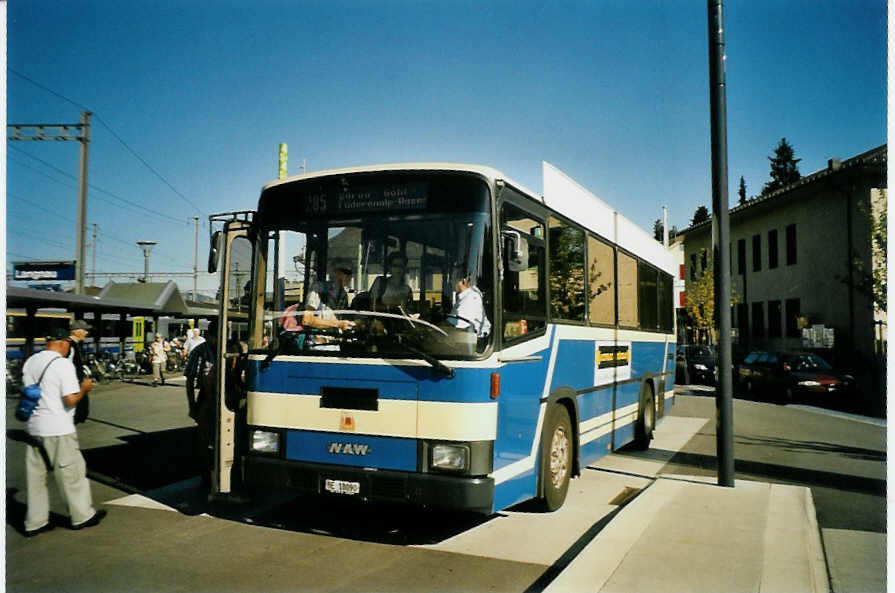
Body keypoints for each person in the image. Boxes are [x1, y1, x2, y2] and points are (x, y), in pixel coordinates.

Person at [21, 329, 105, 536]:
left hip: (34, 427)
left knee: (36, 479)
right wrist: (85, 388)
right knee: (71, 474)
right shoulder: (62, 364)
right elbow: (70, 399)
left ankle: (35, 522)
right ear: (62, 343)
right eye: (69, 343)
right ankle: (82, 516)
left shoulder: (31, 361)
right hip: (58, 428)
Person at [448, 267, 492, 339]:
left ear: (463, 281)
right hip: (464, 338)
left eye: (453, 279)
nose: (451, 282)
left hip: (475, 341)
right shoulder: (463, 297)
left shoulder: (472, 298)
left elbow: (458, 324)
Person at [68, 319, 92, 424]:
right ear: (76, 331)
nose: (86, 333)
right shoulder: (70, 345)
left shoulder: (75, 345)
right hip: (73, 383)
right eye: (84, 330)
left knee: (81, 407)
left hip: (77, 382)